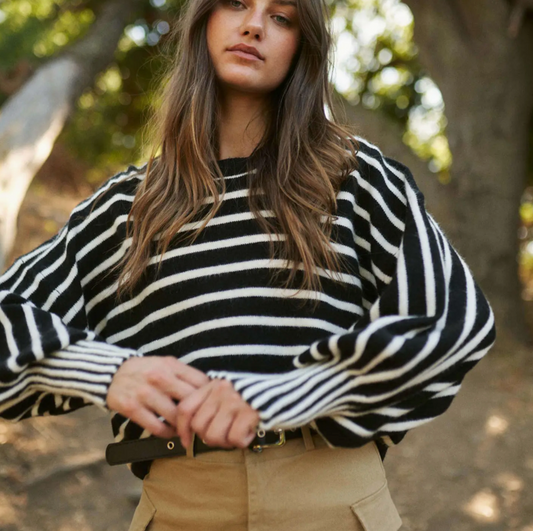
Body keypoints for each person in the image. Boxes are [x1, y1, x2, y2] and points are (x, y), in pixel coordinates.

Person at [0, 0, 496, 529]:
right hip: (179, 508)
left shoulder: (359, 179)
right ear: (202, 21)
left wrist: (286, 393)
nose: (254, 25)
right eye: (236, 3)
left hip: (334, 501)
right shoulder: (125, 208)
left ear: (301, 48)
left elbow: (454, 323)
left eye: (281, 17)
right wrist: (106, 372)